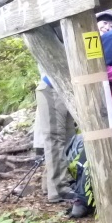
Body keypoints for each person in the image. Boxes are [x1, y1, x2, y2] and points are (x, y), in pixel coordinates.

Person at [32, 65, 76, 205]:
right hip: (52, 85)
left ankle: (52, 183)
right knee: (55, 139)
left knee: (69, 138)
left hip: (64, 86)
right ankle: (58, 188)